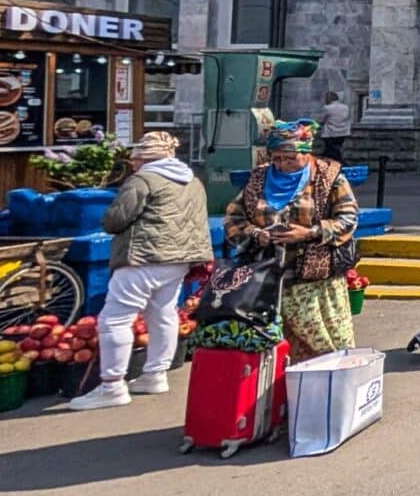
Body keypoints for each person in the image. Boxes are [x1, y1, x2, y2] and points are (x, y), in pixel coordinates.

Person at [68, 130, 213, 410]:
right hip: (179, 259)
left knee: (115, 318)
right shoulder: (192, 181)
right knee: (163, 313)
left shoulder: (143, 179)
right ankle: (155, 374)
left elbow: (116, 219)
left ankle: (112, 385)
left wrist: (107, 218)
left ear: (145, 159)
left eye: (135, 159)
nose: (132, 164)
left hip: (145, 257)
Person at [223, 119, 360, 358]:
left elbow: (348, 218)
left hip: (315, 282)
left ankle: (327, 391)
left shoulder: (329, 176)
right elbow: (234, 218)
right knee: (275, 347)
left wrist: (310, 232)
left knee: (325, 345)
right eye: (277, 158)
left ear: (306, 154)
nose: (283, 164)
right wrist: (257, 234)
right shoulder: (259, 178)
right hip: (267, 278)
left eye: (290, 158)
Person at [318, 90, 353, 166]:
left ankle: (341, 164)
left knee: (330, 151)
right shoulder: (345, 107)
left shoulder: (327, 108)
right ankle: (335, 164)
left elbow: (322, 120)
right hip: (343, 132)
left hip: (330, 133)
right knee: (335, 150)